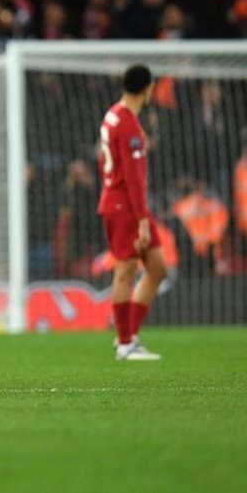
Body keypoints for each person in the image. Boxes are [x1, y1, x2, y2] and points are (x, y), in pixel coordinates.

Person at [97, 64, 166, 361]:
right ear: (147, 89)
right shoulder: (129, 126)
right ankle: (125, 343)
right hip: (126, 204)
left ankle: (129, 335)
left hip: (122, 201)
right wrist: (142, 222)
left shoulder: (113, 114)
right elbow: (134, 178)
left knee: (158, 268)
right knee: (125, 272)